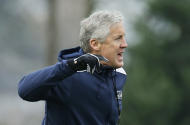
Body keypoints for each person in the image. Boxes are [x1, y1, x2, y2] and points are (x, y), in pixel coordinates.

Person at [18, 10, 128, 125]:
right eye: (118, 38)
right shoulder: (67, 75)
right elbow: (24, 90)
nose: (125, 44)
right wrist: (71, 66)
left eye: (124, 37)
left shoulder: (119, 74)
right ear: (95, 44)